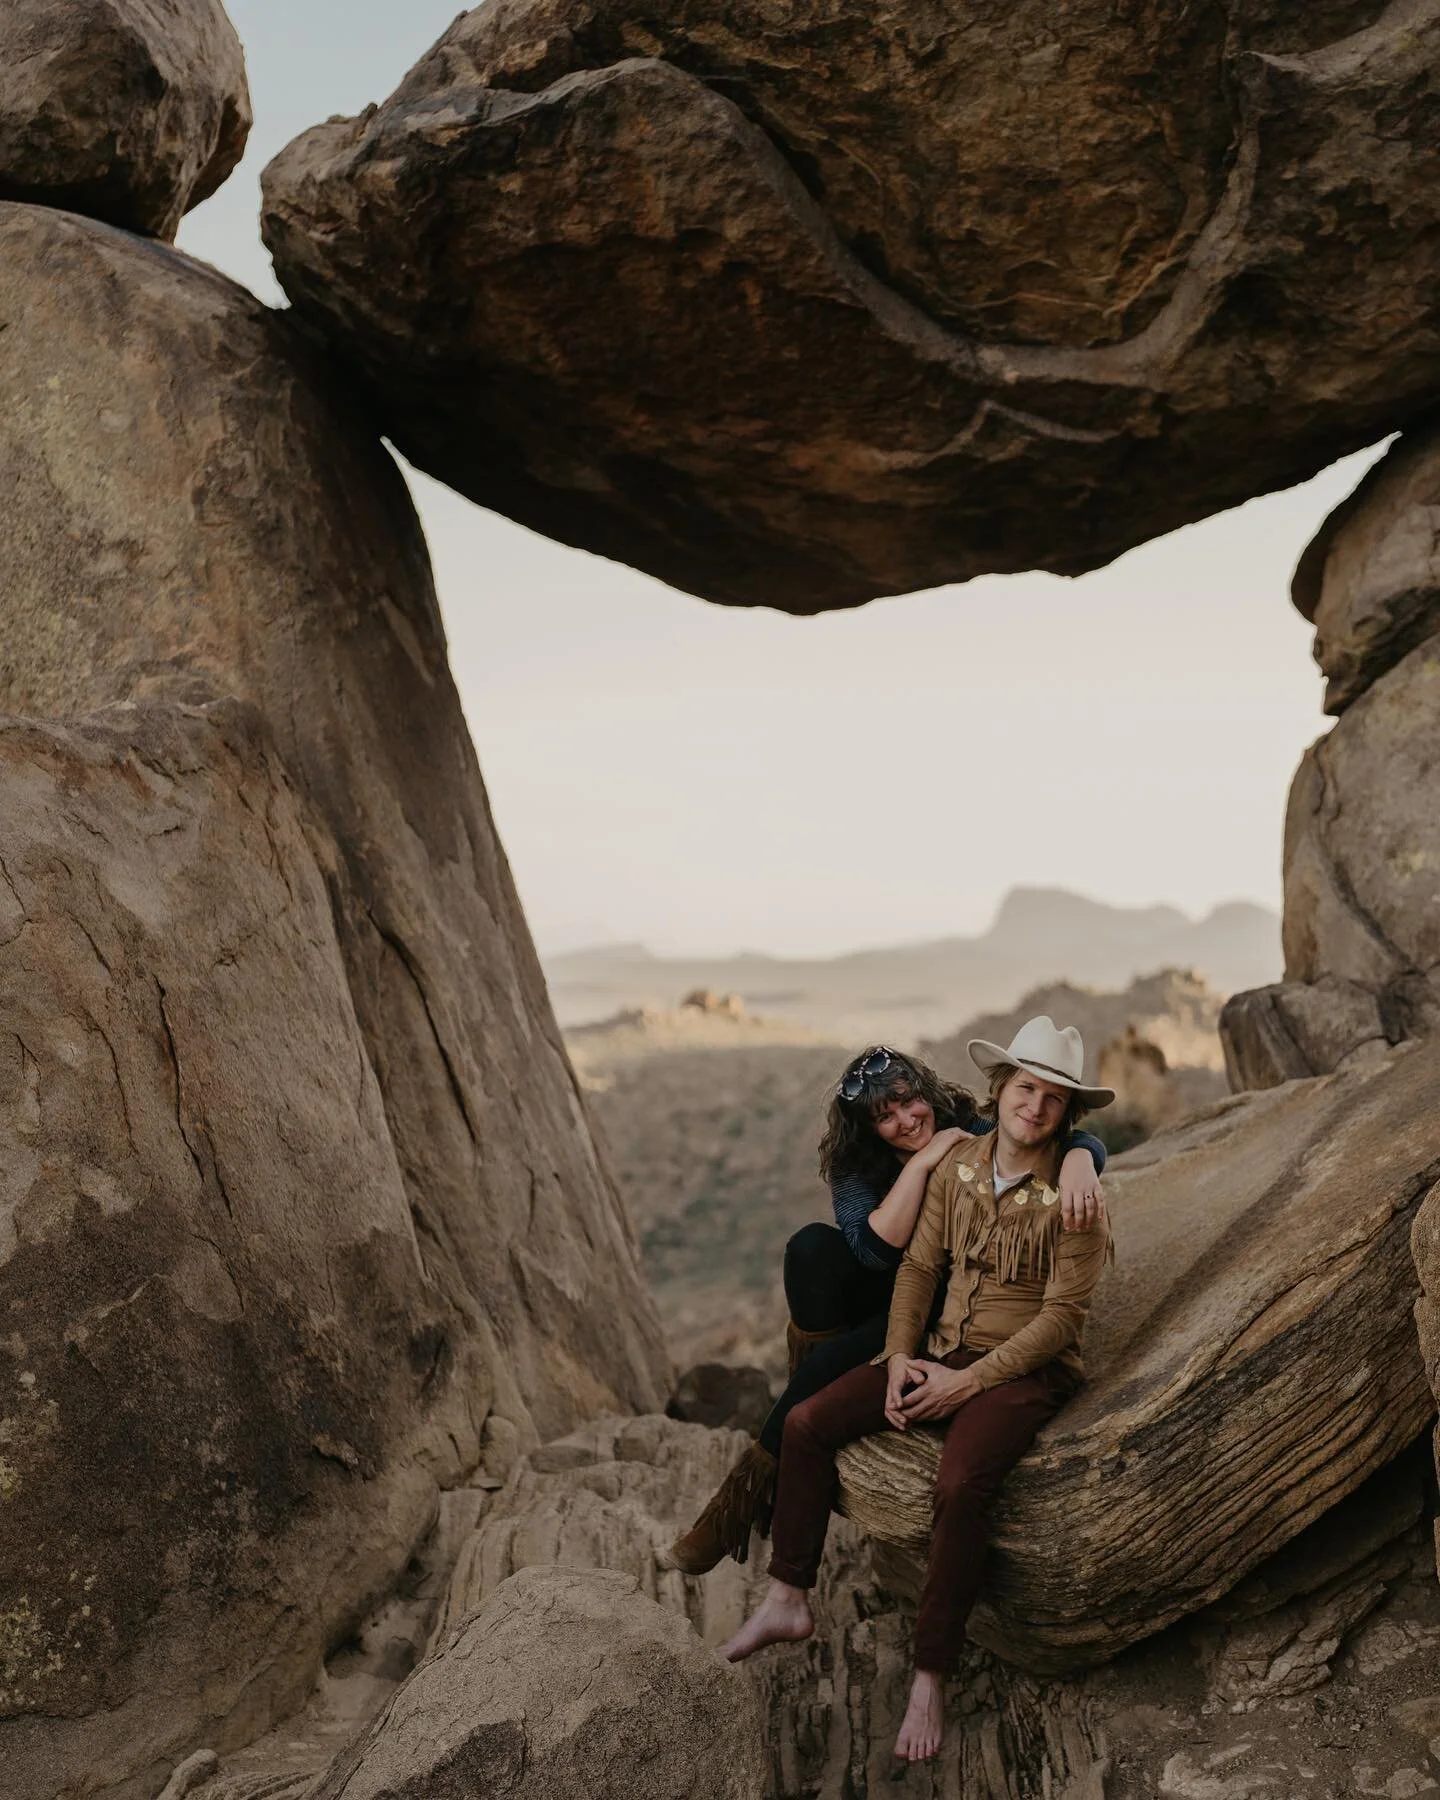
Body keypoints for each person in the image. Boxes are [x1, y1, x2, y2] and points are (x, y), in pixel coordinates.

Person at [720, 1016, 1114, 1767]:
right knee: (805, 1423)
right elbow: (918, 1268)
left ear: (1067, 1113)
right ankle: (787, 1598)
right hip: (936, 1348)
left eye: (1054, 1098)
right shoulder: (957, 1167)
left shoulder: (1074, 1197)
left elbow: (1063, 1320)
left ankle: (931, 1675)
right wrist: (901, 1356)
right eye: (1025, 1088)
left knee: (960, 1485)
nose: (1035, 1106)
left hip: (1020, 1370)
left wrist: (966, 1382)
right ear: (999, 1090)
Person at [661, 1039, 1107, 1574]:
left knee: (828, 1377)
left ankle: (737, 1503)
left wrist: (1083, 1158)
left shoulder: (968, 1122)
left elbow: (1047, 1129)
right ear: (868, 1128)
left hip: (937, 1299)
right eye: (885, 1116)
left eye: (908, 1101)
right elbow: (873, 1251)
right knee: (809, 1247)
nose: (905, 1120)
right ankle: (815, 1383)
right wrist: (926, 1162)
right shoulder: (858, 1162)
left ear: (926, 1091)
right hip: (884, 1285)